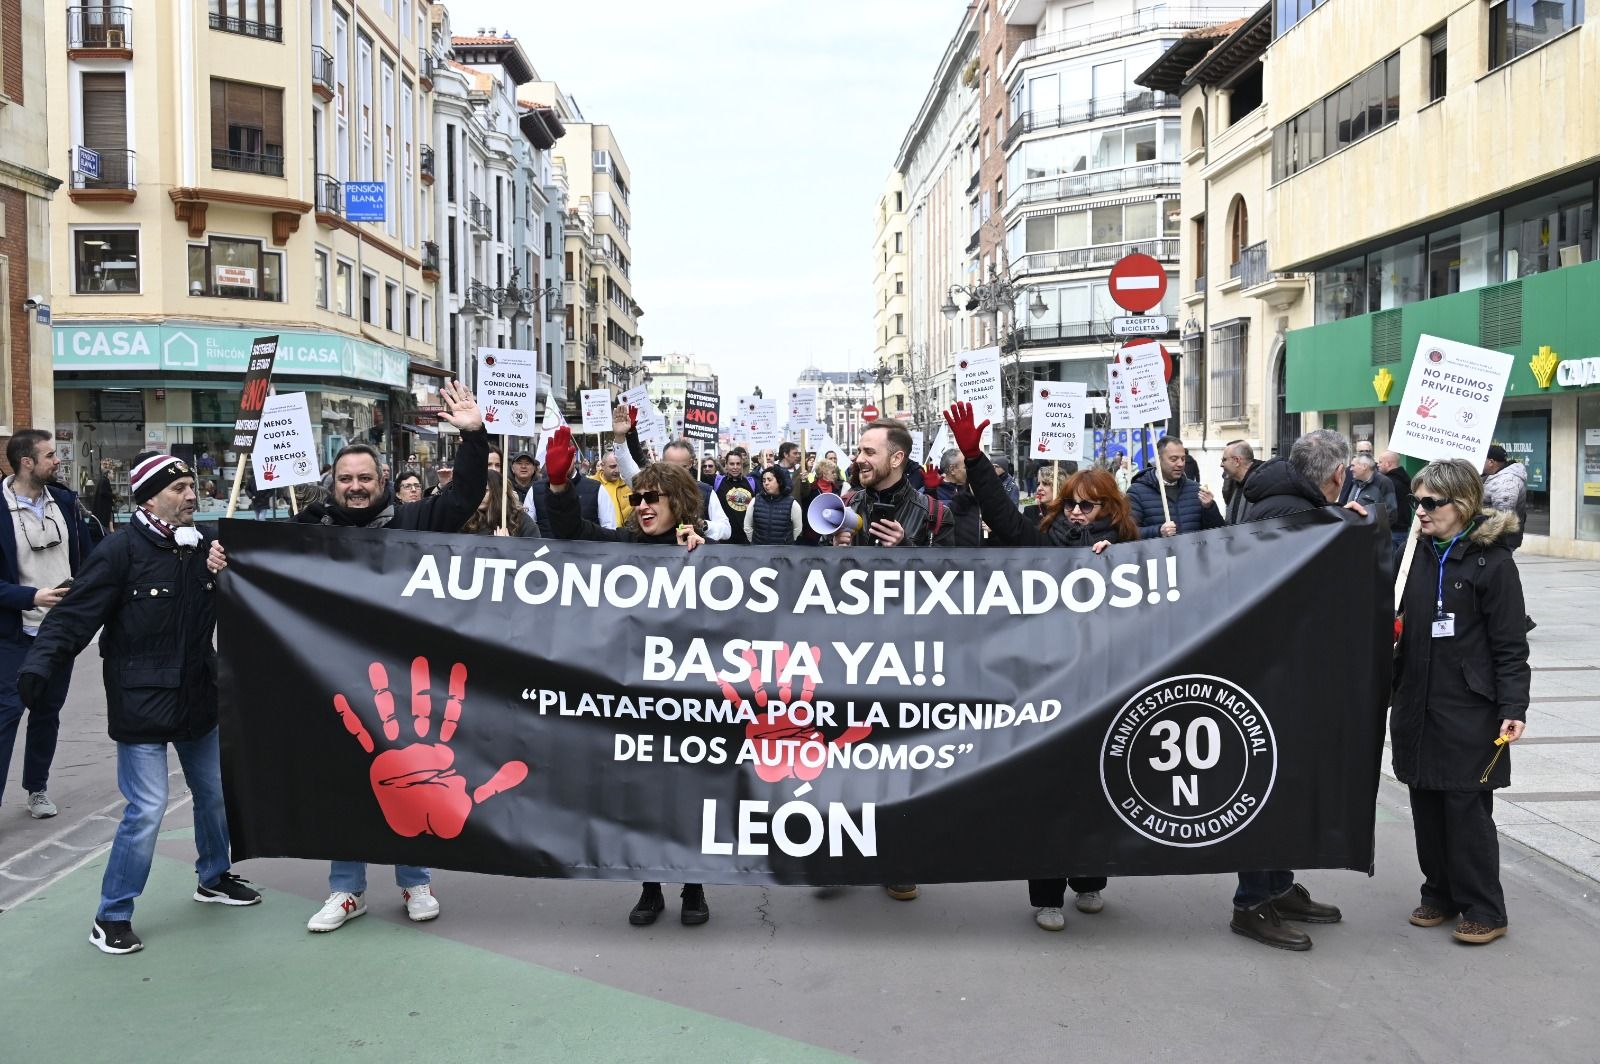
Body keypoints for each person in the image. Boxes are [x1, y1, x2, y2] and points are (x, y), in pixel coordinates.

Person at [20, 454, 261, 954]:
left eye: (192, 485)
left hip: (199, 696)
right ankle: (112, 914)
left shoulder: (205, 546)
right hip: (141, 702)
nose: (191, 495)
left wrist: (227, 568)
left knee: (215, 793)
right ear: (149, 498)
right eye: (179, 488)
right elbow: (73, 616)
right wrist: (39, 666)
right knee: (148, 808)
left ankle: (214, 877)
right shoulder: (119, 551)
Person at [295, 379, 488, 932]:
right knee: (342, 782)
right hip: (333, 680)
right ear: (332, 484)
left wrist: (474, 436)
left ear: (383, 481)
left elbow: (465, 497)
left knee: (413, 772)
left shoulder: (413, 521)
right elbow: (251, 560)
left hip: (402, 683)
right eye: (345, 479)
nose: (355, 488)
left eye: (365, 479)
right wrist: (221, 554)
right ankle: (345, 890)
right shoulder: (307, 530)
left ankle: (414, 881)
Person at [541, 425, 711, 926]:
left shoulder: (707, 549)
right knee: (641, 795)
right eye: (637, 499)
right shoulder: (622, 545)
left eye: (653, 498)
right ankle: (650, 888)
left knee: (690, 794)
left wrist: (705, 555)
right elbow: (572, 532)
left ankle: (695, 888)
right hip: (634, 694)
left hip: (689, 694)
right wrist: (559, 486)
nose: (643, 506)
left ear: (678, 501)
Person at [1232, 429, 1364, 950]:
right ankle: (1252, 902)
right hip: (1274, 672)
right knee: (1270, 787)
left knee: (1285, 784)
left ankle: (1277, 886)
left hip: (1282, 668)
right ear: (1338, 474)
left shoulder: (1290, 505)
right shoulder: (1291, 513)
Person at [1392, 458, 1529, 946]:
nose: (1421, 511)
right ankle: (1440, 893)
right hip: (1417, 701)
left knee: (1466, 808)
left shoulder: (1493, 562)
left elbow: (1510, 645)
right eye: (1416, 501)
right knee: (1426, 802)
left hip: (1470, 707)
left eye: (1431, 503)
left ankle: (1485, 909)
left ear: (1464, 503)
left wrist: (1513, 707)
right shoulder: (1413, 553)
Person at [1, 430, 95, 820]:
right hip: (15, 634)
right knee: (7, 714)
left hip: (59, 632)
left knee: (47, 713)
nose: (58, 461)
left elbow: (90, 558)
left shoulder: (65, 503)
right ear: (27, 462)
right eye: (50, 455)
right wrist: (32, 596)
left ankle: (36, 788)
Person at [1127, 436, 1224, 539]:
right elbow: (1127, 533)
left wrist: (1210, 508)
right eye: (1174, 459)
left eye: (1183, 459)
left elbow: (1218, 532)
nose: (1180, 464)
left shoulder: (1196, 490)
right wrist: (1158, 531)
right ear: (1158, 459)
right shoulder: (1137, 492)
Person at [935, 450, 984, 547]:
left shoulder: (972, 490)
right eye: (965, 467)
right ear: (952, 469)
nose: (969, 470)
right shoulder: (932, 492)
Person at [462, 477, 539, 537]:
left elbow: (535, 549)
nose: (479, 495)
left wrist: (509, 546)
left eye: (485, 491)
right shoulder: (465, 518)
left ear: (498, 492)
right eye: (475, 490)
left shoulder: (519, 520)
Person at [745, 465, 801, 545]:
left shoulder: (792, 504)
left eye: (769, 480)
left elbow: (797, 529)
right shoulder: (755, 501)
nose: (766, 483)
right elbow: (747, 526)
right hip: (759, 549)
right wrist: (755, 544)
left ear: (779, 481)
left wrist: (787, 544)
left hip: (783, 550)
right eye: (764, 480)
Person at [713, 449, 757, 545]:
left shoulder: (751, 483)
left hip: (746, 539)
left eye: (738, 464)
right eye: (732, 464)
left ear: (742, 465)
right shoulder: (717, 482)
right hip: (724, 539)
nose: (735, 467)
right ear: (726, 465)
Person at [1345, 454, 1398, 528]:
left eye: (1353, 466)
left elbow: (1391, 514)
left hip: (1371, 533)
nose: (1350, 469)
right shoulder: (1355, 482)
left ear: (1364, 466)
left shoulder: (1384, 482)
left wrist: (1373, 531)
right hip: (1353, 531)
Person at [1379, 451, 1414, 553]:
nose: (1378, 465)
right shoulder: (1405, 479)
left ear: (1388, 464)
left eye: (1380, 462)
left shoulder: (1388, 482)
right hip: (1402, 529)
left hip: (1391, 530)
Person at [1220, 440, 1261, 526]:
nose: (1221, 465)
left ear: (1237, 461)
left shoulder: (1262, 484)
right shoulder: (1234, 483)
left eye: (1224, 460)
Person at [593, 451, 633, 531]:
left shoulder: (629, 485)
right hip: (601, 535)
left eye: (619, 466)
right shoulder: (591, 485)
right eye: (613, 466)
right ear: (602, 466)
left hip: (624, 535)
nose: (617, 470)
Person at [92, 458, 117, 530]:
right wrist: (113, 495)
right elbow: (103, 492)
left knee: (109, 520)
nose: (113, 475)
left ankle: (111, 531)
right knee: (106, 523)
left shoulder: (103, 480)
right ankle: (111, 532)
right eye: (112, 473)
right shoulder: (104, 480)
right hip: (103, 508)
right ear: (108, 474)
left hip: (104, 508)